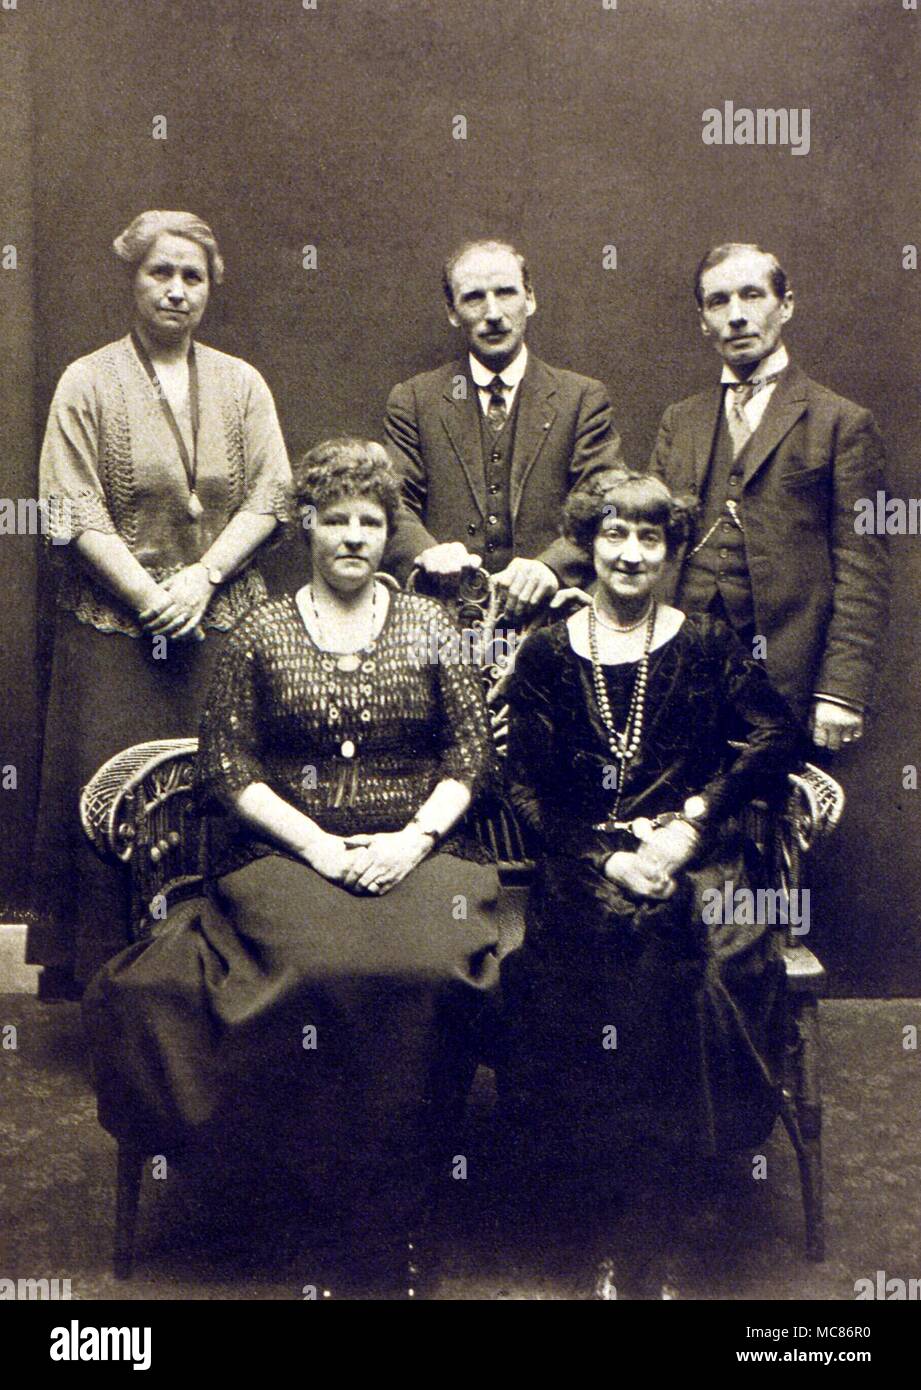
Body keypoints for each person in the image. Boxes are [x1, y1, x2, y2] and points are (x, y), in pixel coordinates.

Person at [83, 438, 500, 1297]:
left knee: (422, 966)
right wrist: (316, 847)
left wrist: (409, 842)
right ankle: (309, 1200)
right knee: (318, 965)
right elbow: (228, 767)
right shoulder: (259, 631)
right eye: (334, 520)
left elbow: (471, 758)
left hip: (415, 850)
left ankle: (394, 1209)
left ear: (390, 534)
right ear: (304, 527)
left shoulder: (433, 626)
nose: (352, 537)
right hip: (281, 856)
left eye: (371, 522)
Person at [498, 467, 801, 1298]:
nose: (630, 554)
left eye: (648, 538)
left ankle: (665, 1218)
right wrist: (605, 858)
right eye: (613, 534)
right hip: (584, 860)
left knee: (695, 965)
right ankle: (607, 1219)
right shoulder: (551, 651)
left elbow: (775, 735)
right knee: (597, 963)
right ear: (588, 545)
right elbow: (524, 783)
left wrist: (693, 821)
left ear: (669, 551)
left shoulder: (706, 643)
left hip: (698, 856)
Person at [29, 210, 291, 994]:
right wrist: (150, 597)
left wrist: (203, 579)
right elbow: (71, 510)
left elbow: (273, 495)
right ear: (133, 279)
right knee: (115, 808)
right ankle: (112, 987)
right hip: (117, 638)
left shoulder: (242, 383)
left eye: (193, 277)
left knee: (218, 800)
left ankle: (222, 984)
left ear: (210, 289)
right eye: (160, 273)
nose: (176, 290)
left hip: (221, 630)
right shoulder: (88, 380)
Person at [649, 241, 889, 748]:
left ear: (786, 305)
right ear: (702, 320)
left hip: (786, 679)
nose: (736, 316)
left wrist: (841, 692)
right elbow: (652, 546)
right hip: (679, 676)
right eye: (718, 302)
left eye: (752, 296)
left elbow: (862, 569)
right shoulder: (680, 419)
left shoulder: (842, 423)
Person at [383, 238, 623, 616]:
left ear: (530, 299)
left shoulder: (581, 399)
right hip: (441, 618)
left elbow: (606, 505)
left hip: (551, 619)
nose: (493, 313)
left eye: (506, 293)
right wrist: (427, 554)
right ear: (452, 311)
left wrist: (550, 567)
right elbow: (390, 503)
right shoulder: (414, 400)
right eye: (474, 298)